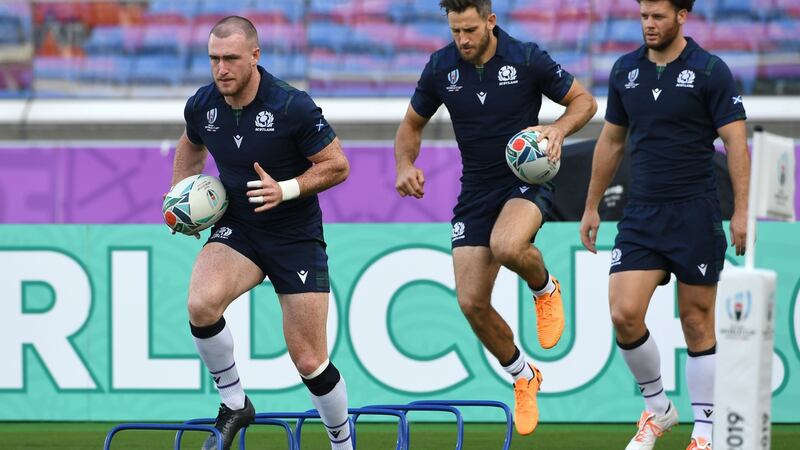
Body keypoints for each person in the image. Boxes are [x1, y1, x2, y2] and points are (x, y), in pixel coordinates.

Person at [394, 0, 597, 436]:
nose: (463, 40)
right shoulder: (440, 67)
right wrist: (404, 166)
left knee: (508, 246)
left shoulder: (527, 57)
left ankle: (544, 287)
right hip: (476, 190)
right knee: (470, 302)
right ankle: (524, 375)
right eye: (455, 32)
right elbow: (410, 126)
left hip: (525, 178)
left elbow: (584, 101)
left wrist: (558, 129)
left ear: (490, 21)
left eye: (470, 30)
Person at [171, 16, 353, 450]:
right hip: (240, 228)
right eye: (214, 59)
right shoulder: (202, 105)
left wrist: (285, 189)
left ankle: (342, 444)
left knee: (309, 360)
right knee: (201, 304)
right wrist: (180, 200)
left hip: (295, 235)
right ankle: (234, 403)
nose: (221, 69)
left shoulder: (292, 106)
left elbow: (337, 165)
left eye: (231, 58)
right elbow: (190, 145)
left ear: (255, 56)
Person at [579, 1, 750, 449]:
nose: (649, 25)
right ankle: (658, 410)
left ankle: (705, 431)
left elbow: (735, 144)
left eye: (658, 16)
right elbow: (612, 140)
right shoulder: (625, 71)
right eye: (643, 16)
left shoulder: (711, 70)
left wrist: (743, 212)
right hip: (642, 214)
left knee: (696, 322)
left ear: (681, 16)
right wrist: (592, 205)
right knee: (623, 313)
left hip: (695, 213)